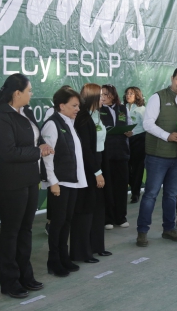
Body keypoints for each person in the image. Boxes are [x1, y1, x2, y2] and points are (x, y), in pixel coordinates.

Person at [0, 74, 50, 299]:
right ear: (17, 93)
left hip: (30, 178)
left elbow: (35, 138)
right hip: (10, 182)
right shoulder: (0, 117)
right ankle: (9, 281)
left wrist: (42, 144)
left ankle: (25, 275)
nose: (31, 94)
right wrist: (38, 151)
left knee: (26, 229)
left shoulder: (26, 112)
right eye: (29, 90)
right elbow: (7, 153)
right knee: (11, 232)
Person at [136, 67, 177, 247]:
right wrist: (167, 136)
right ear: (172, 79)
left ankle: (169, 229)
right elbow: (147, 124)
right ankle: (142, 232)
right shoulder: (158, 97)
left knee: (172, 195)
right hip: (157, 156)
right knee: (150, 195)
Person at [40, 87, 86, 277]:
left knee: (66, 221)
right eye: (74, 105)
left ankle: (63, 257)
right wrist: (53, 182)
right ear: (62, 106)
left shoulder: (68, 122)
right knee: (57, 223)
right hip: (60, 182)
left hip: (72, 180)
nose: (77, 109)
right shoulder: (52, 124)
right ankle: (54, 260)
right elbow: (47, 156)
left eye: (78, 106)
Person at [70, 84, 111, 263]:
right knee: (85, 210)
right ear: (92, 97)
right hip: (88, 168)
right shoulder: (83, 118)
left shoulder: (97, 115)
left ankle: (97, 247)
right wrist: (97, 172)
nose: (104, 98)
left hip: (99, 162)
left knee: (98, 208)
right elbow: (85, 150)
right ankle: (82, 252)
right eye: (100, 95)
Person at [100, 84, 132, 229]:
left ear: (113, 95)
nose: (103, 97)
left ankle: (121, 217)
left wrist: (129, 132)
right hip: (105, 153)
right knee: (107, 186)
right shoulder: (98, 110)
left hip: (122, 152)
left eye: (106, 94)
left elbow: (130, 125)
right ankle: (107, 218)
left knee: (121, 185)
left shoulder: (123, 108)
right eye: (101, 94)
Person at [124, 87, 146, 204]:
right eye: (127, 93)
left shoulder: (142, 109)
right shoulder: (122, 108)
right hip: (125, 140)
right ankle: (133, 187)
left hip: (139, 140)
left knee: (137, 168)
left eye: (131, 93)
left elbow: (147, 126)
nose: (128, 95)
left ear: (137, 95)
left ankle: (135, 193)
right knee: (126, 168)